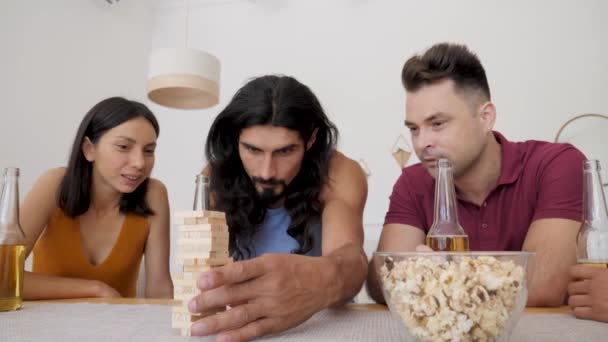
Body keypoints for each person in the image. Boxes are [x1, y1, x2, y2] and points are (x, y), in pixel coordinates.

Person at [367, 42, 585, 307]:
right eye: (414, 129)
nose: (422, 142)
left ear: (485, 117)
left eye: (437, 124)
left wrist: (437, 278)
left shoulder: (557, 164)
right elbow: (386, 281)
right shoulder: (413, 182)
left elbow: (541, 285)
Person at [188, 75, 368, 341]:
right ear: (235, 139)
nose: (266, 171)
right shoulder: (214, 177)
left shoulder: (340, 173)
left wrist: (313, 280)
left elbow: (351, 259)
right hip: (246, 327)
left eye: (285, 152)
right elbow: (197, 267)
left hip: (324, 328)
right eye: (252, 150)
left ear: (311, 140)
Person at [21, 97, 173, 299]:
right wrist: (95, 289)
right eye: (123, 147)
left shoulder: (154, 194)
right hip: (47, 324)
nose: (139, 163)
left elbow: (159, 289)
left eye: (149, 151)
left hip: (118, 327)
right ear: (89, 149)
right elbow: (4, 276)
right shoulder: (55, 184)